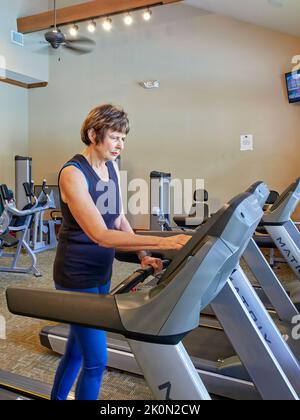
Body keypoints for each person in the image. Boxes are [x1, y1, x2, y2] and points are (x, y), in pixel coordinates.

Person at [51, 104, 190, 400]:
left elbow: (118, 219)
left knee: (76, 350)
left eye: (123, 138)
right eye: (114, 137)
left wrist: (142, 253)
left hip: (102, 271)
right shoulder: (73, 174)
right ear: (93, 134)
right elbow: (100, 235)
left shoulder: (112, 166)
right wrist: (166, 242)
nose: (120, 145)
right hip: (76, 275)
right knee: (96, 361)